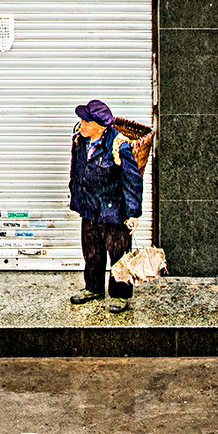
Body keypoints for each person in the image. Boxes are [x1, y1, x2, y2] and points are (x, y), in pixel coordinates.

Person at [68, 99, 143, 314]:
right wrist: (76, 196)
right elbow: (77, 170)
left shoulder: (119, 145)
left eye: (86, 122)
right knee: (91, 251)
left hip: (114, 210)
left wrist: (132, 213)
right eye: (82, 120)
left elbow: (132, 180)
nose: (82, 125)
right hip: (90, 207)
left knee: (118, 253)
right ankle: (93, 288)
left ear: (99, 127)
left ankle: (120, 294)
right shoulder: (79, 140)